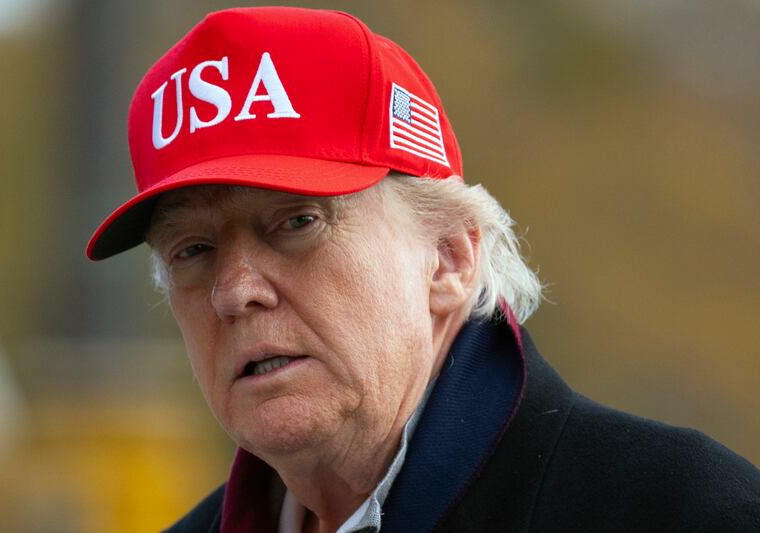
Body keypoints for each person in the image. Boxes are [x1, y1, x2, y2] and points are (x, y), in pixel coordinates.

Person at [87, 7, 760, 533]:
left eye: (297, 222)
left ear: (449, 257)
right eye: (192, 251)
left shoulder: (684, 509)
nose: (234, 290)